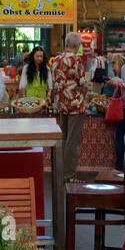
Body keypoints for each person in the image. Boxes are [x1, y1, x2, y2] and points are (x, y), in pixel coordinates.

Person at [50, 31, 88, 181]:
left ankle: (62, 173)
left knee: (64, 140)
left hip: (62, 104)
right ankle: (69, 176)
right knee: (73, 142)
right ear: (78, 45)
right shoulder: (76, 60)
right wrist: (82, 96)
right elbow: (84, 85)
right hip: (75, 105)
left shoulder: (56, 59)